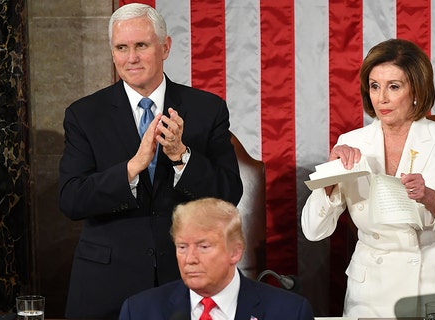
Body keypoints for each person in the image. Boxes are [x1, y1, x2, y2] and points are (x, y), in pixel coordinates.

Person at [58, 3, 243, 319]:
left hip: (182, 278)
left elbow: (229, 194)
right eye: (121, 48)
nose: (131, 58)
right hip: (105, 283)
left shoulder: (207, 109)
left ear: (165, 47)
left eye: (141, 45)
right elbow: (72, 199)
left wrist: (180, 156)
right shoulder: (84, 115)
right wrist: (132, 168)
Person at [301, 39, 435, 318]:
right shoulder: (351, 143)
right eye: (374, 86)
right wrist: (330, 183)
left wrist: (430, 197)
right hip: (372, 287)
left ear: (416, 90)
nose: (381, 98)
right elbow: (313, 231)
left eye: (394, 87)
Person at [118, 198, 315, 320]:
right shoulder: (139, 312)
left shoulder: (289, 312)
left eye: (203, 247)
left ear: (235, 252)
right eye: (182, 247)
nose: (190, 259)